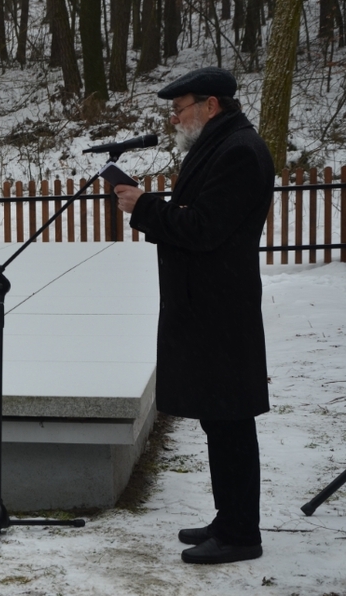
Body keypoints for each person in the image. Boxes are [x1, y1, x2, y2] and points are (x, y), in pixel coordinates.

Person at [114, 66, 274, 565]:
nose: (174, 118)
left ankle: (242, 533)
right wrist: (152, 208)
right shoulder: (222, 144)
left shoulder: (240, 152)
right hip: (208, 307)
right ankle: (229, 519)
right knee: (219, 420)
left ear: (211, 104)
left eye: (180, 109)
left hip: (222, 311)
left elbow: (204, 228)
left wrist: (144, 207)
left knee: (230, 420)